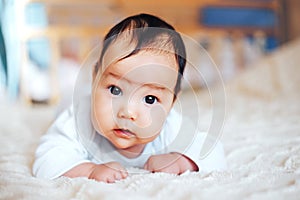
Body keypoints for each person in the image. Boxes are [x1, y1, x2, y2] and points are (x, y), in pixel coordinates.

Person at [33, 13, 227, 183]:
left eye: (150, 99)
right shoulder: (78, 119)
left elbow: (212, 150)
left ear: (172, 103)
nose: (127, 112)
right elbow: (46, 160)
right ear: (95, 78)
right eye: (115, 90)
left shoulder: (170, 127)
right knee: (68, 102)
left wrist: (181, 160)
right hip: (73, 101)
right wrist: (89, 170)